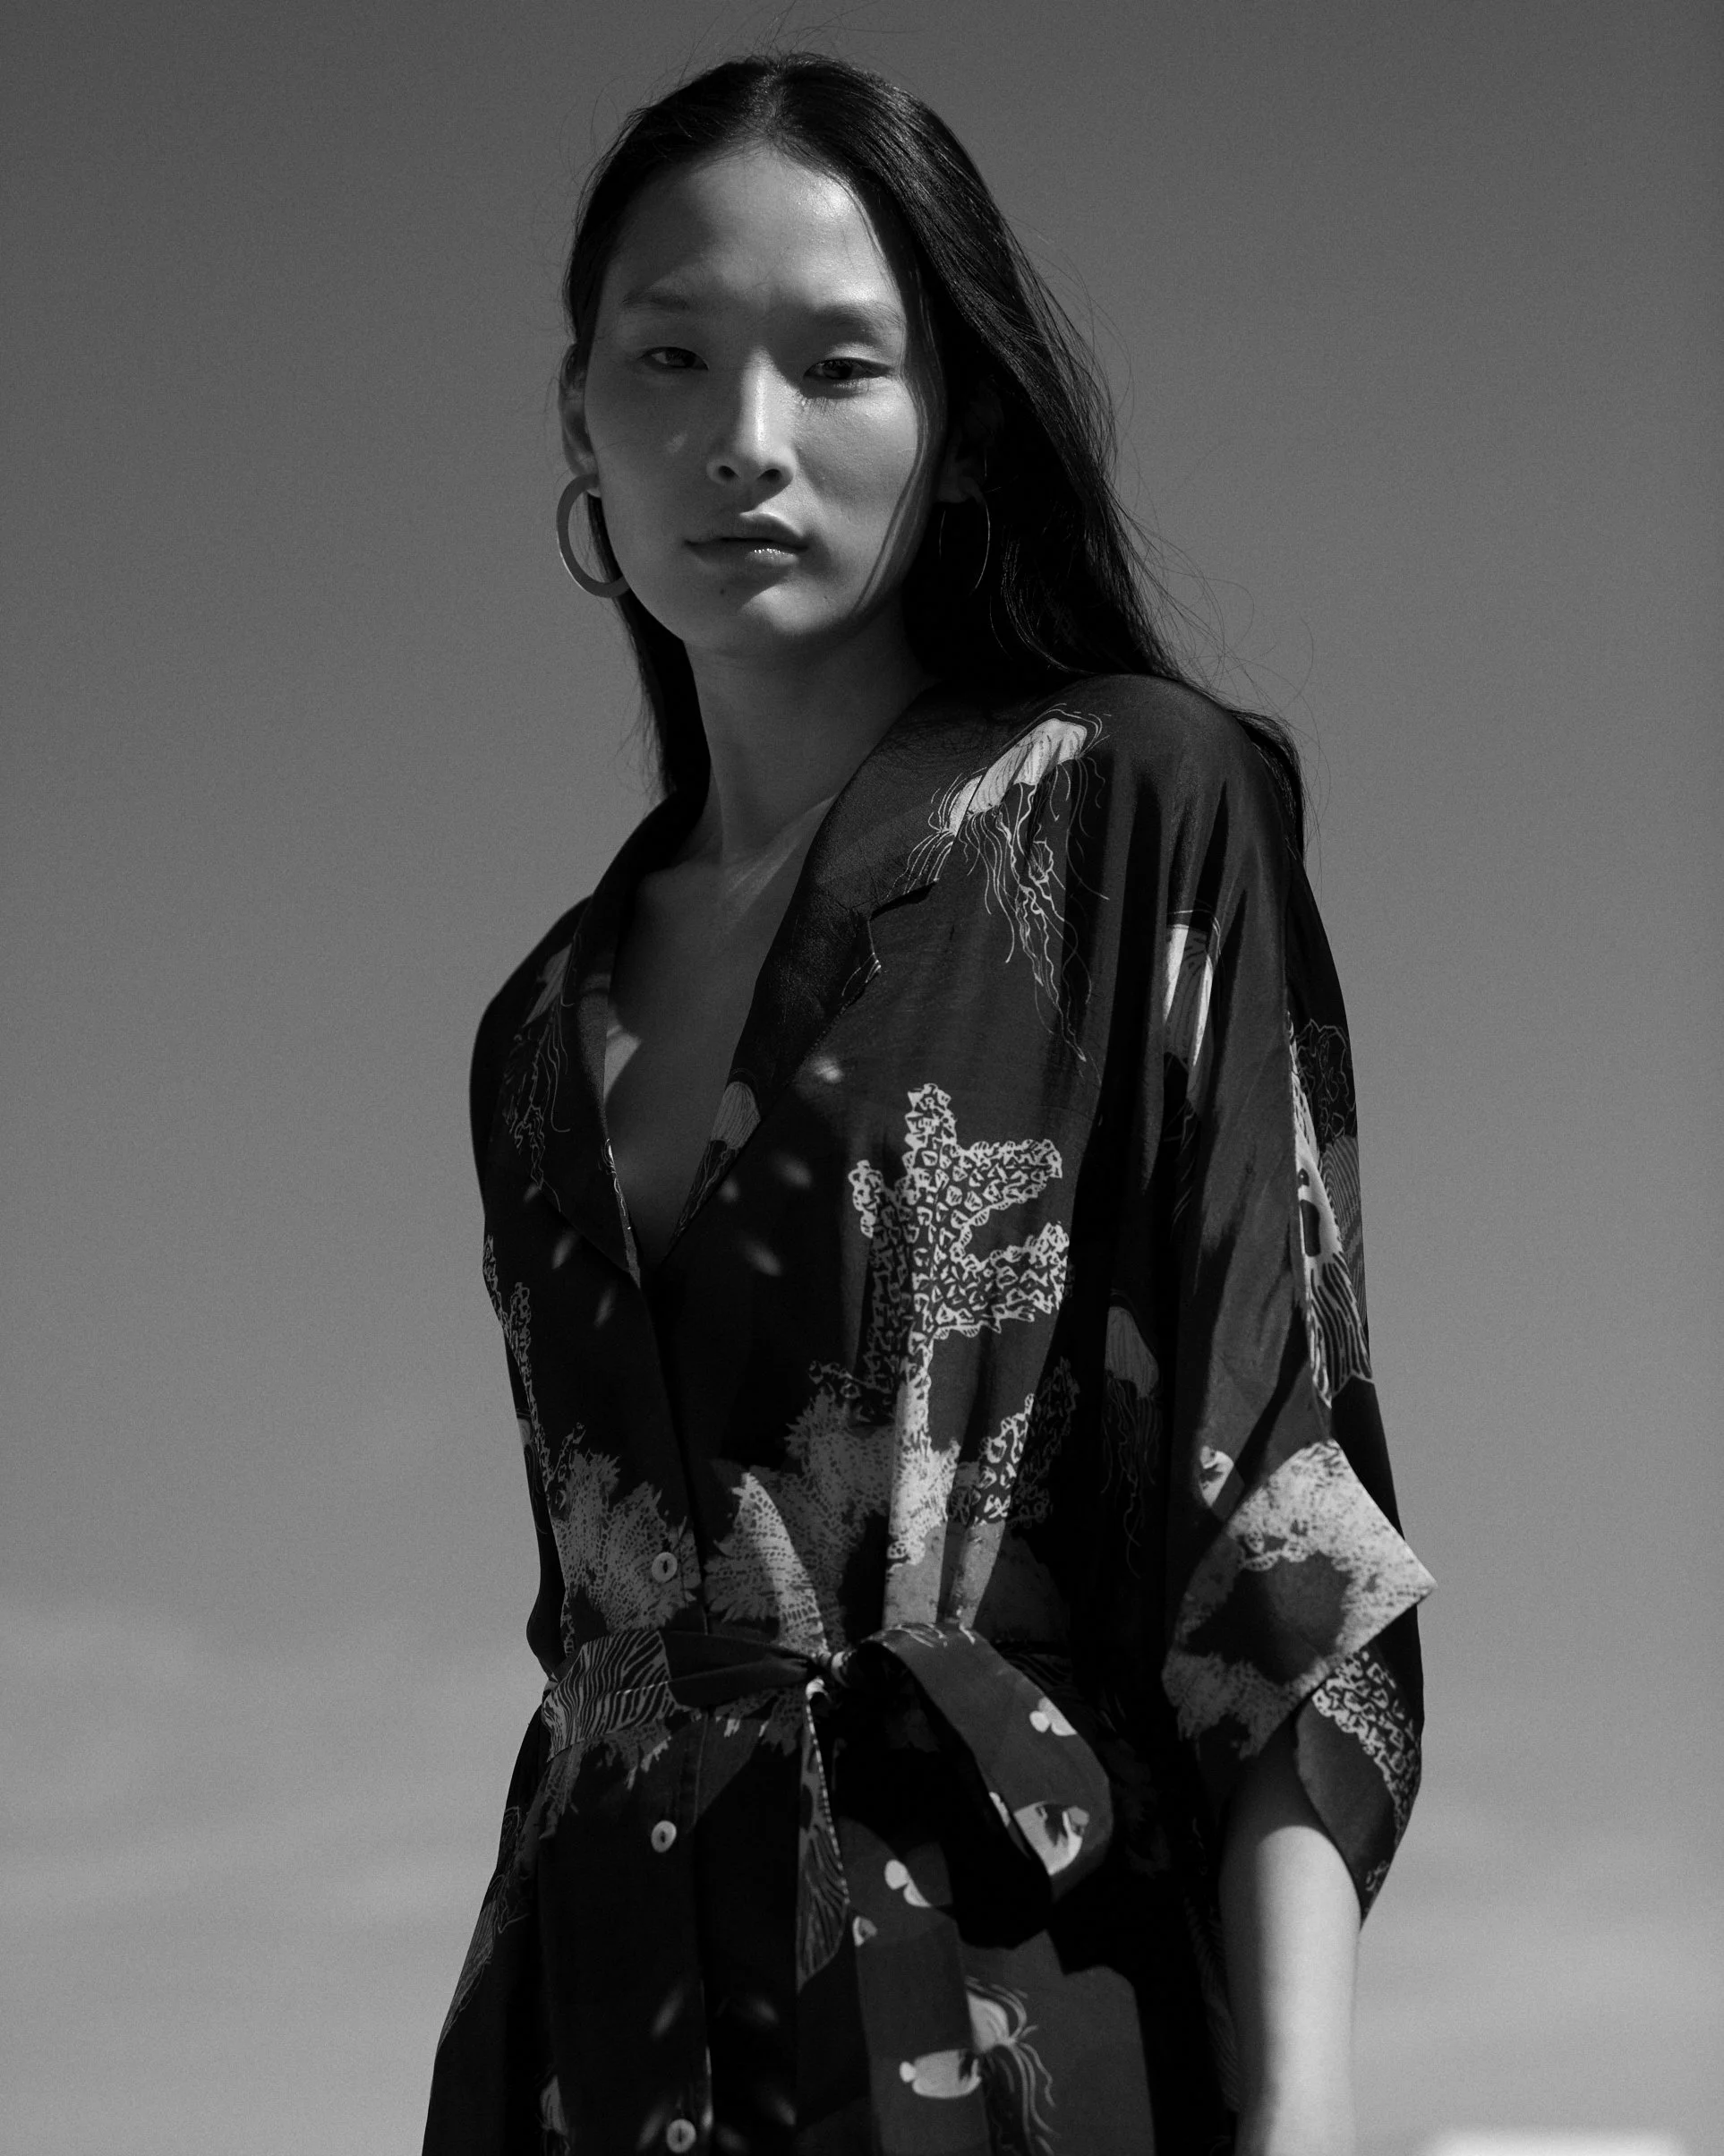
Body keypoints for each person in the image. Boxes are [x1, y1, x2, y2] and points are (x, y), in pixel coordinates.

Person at [424, 51, 1431, 2156]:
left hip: (1000, 2001)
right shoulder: (536, 1036)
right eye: (671, 359)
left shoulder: (1137, 804)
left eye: (841, 365)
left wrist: (1302, 2115)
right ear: (580, 423)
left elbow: (1277, 1529)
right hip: (588, 2038)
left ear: (956, 431)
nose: (745, 443)